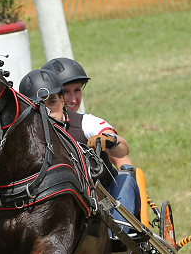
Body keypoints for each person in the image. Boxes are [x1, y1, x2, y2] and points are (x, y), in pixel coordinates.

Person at [19, 69, 141, 229]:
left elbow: (123, 150)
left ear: (61, 100)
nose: (47, 110)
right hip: (56, 211)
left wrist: (109, 140)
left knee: (124, 178)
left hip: (104, 204)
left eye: (52, 102)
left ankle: (118, 235)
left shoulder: (86, 123)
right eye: (40, 105)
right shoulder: (25, 137)